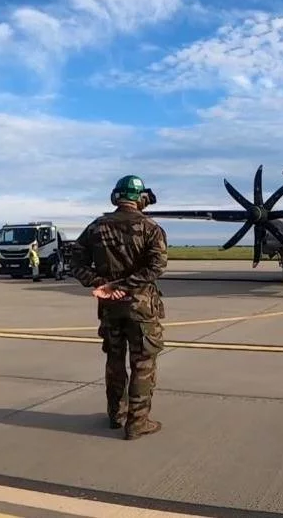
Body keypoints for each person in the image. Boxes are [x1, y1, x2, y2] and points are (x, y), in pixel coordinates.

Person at [70, 175, 167, 440]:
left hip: (110, 309)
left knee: (114, 361)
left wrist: (102, 283)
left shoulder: (96, 228)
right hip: (142, 309)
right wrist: (127, 285)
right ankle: (137, 423)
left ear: (116, 197)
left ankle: (116, 414)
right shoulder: (151, 228)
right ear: (140, 198)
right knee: (143, 363)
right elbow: (156, 266)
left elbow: (75, 262)